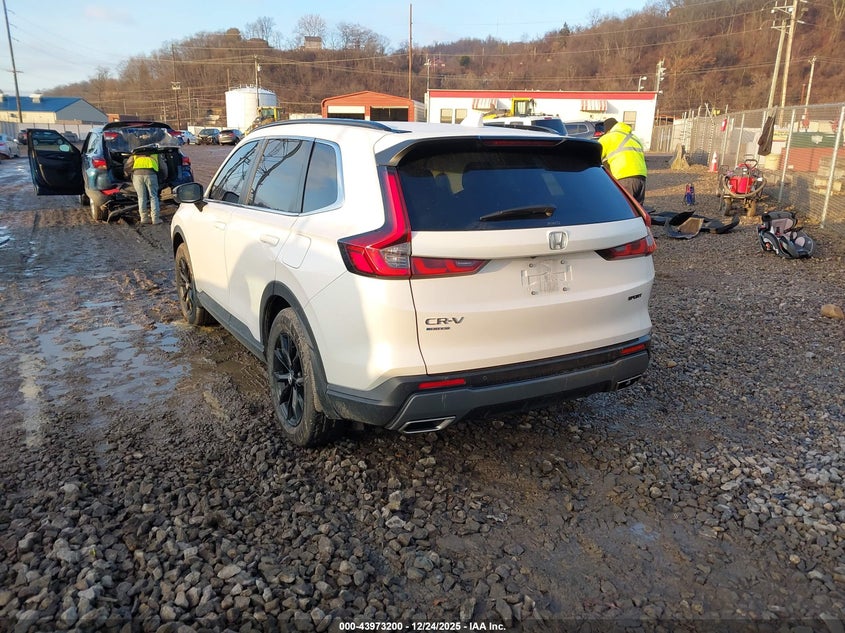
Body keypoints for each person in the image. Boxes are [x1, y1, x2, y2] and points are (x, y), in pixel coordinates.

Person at [598, 117, 648, 205]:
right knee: (637, 211)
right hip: (641, 178)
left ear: (608, 129)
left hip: (624, 177)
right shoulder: (634, 137)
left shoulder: (608, 137)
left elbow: (594, 158)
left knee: (624, 208)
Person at [124, 150, 168, 224]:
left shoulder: (135, 153)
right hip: (151, 175)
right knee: (153, 196)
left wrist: (126, 175)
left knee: (141, 197)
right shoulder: (155, 153)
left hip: (137, 175)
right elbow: (163, 167)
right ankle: (155, 219)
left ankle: (144, 218)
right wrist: (164, 176)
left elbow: (127, 166)